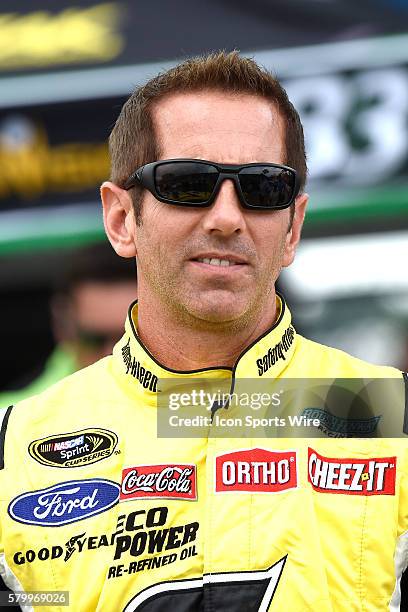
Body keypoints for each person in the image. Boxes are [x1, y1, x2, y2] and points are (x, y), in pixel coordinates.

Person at [0, 52, 406, 611]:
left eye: (263, 188)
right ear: (122, 219)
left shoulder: (390, 415)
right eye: (188, 183)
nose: (226, 217)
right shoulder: (14, 448)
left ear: (293, 228)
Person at [0, 242, 137, 407]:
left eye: (131, 338)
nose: (114, 355)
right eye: (93, 339)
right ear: (62, 326)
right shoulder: (13, 417)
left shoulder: (174, 405)